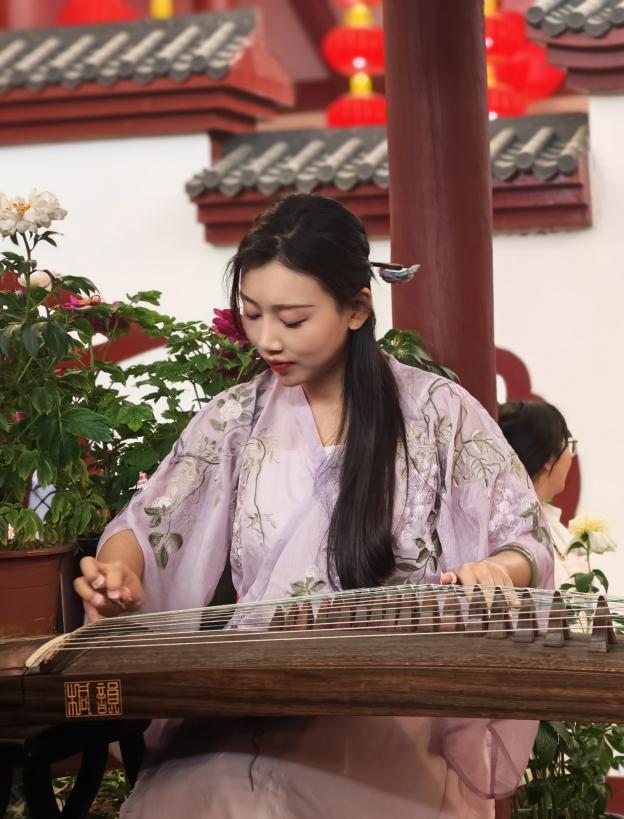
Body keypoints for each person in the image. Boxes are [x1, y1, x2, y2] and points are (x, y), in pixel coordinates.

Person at [74, 194, 554, 819]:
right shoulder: (237, 418)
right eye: (252, 314)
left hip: (388, 710)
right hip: (254, 694)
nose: (267, 339)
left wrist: (497, 570)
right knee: (206, 793)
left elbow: (525, 539)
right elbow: (148, 524)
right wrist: (118, 573)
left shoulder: (439, 413)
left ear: (357, 309)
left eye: (293, 320)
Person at [498, 400, 585, 588]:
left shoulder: (549, 522)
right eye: (567, 445)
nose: (570, 456)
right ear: (549, 459)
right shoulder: (511, 527)